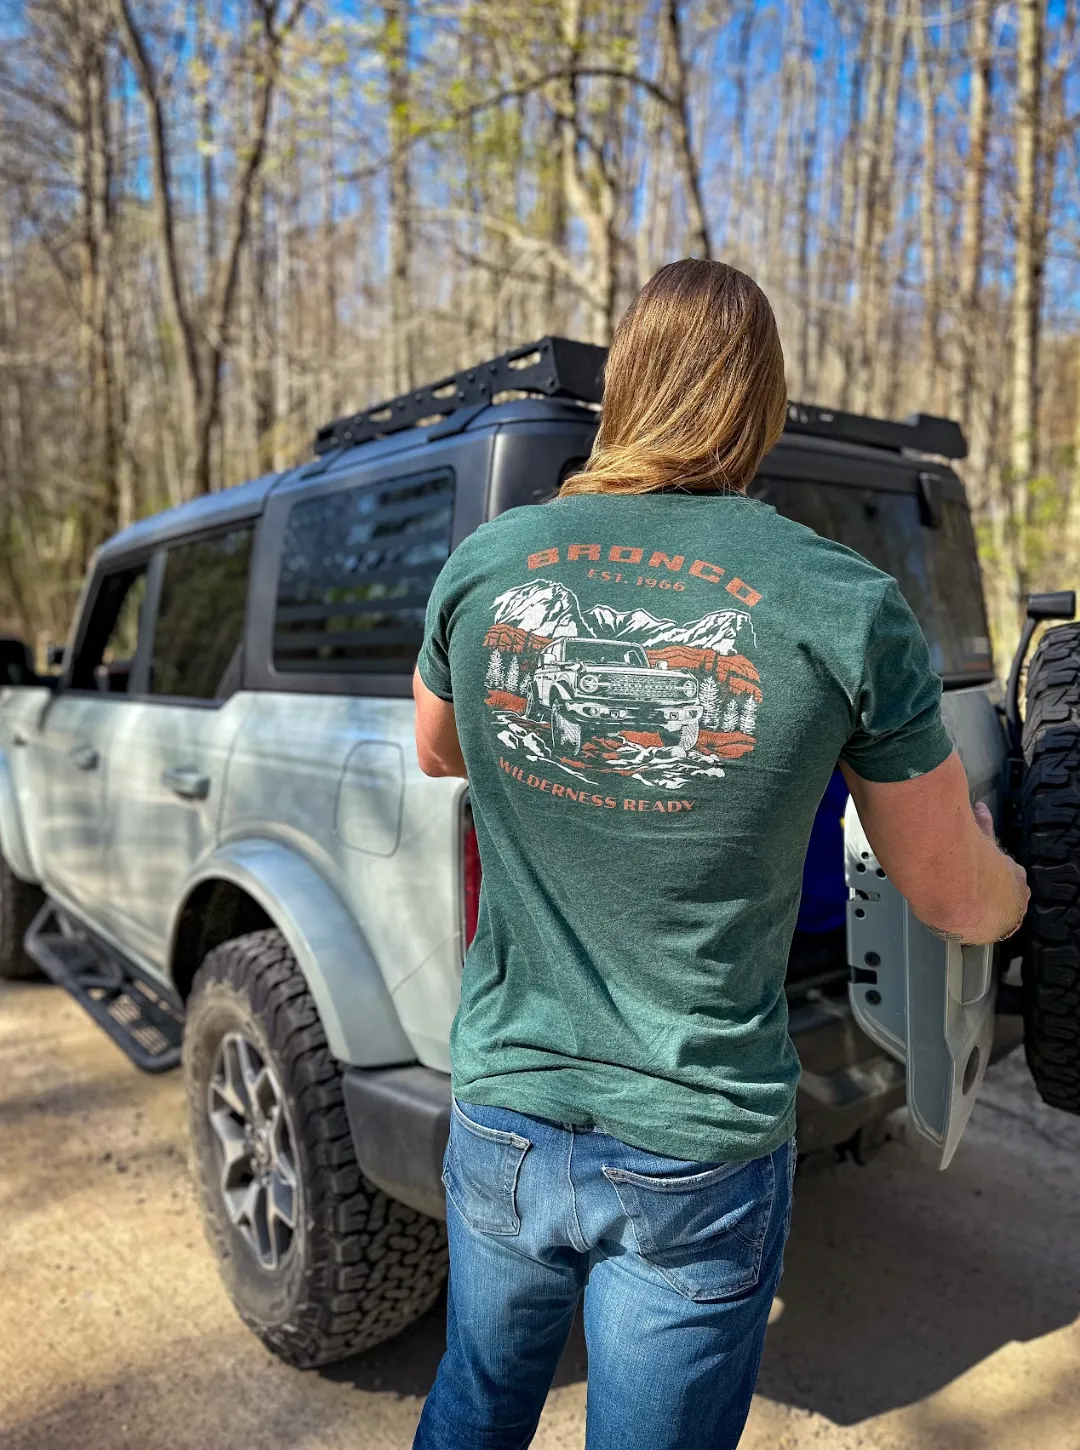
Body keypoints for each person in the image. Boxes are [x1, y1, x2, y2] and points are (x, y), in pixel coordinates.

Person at [410, 259, 1029, 1450]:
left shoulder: (492, 563)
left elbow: (440, 751)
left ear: (624, 389)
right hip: (693, 1142)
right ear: (768, 404)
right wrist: (1016, 892)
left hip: (504, 1106)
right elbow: (953, 895)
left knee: (475, 1404)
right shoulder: (841, 601)